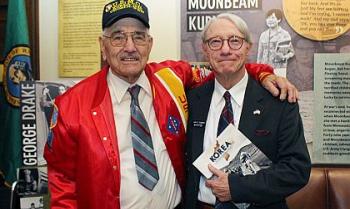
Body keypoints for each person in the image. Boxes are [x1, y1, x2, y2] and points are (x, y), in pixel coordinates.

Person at [44, 1, 299, 209]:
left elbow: (226, 66)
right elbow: (63, 186)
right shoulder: (70, 105)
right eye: (118, 37)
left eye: (139, 37)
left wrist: (265, 74)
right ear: (103, 45)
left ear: (150, 44)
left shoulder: (171, 78)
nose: (130, 47)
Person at [184, 13, 311, 209]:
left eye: (235, 41)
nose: (225, 50)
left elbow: (296, 170)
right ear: (205, 50)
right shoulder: (191, 101)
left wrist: (236, 187)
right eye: (215, 42)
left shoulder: (279, 101)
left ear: (248, 48)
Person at [257, 9, 294, 77]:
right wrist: (258, 68)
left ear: (279, 20)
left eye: (272, 18)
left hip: (279, 68)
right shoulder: (263, 35)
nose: (270, 20)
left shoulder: (284, 34)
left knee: (279, 87)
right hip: (264, 68)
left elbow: (291, 52)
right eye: (268, 18)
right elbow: (260, 54)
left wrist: (284, 57)